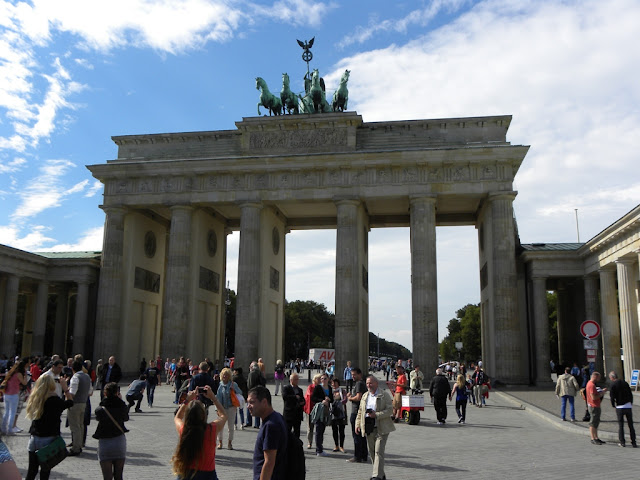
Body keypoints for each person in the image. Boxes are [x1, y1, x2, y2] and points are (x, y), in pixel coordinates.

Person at [25, 374, 74, 480]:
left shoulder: (35, 397)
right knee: (45, 471)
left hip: (34, 438)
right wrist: (65, 388)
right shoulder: (54, 400)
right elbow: (70, 403)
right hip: (48, 439)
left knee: (31, 472)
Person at [172, 386, 227, 480]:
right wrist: (213, 398)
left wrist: (187, 400)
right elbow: (223, 416)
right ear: (203, 415)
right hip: (208, 474)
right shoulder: (211, 429)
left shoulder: (184, 429)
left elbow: (178, 417)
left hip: (186, 473)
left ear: (187, 415)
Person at [355, 375, 395, 480]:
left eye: (371, 383)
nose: (369, 385)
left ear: (376, 383)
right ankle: (380, 473)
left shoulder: (384, 395)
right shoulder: (365, 396)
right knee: (372, 452)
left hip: (382, 428)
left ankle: (376, 476)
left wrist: (376, 414)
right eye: (367, 383)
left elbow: (390, 410)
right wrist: (358, 424)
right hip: (368, 427)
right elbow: (360, 411)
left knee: (378, 451)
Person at [247, 385, 288, 480]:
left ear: (264, 402)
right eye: (248, 402)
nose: (248, 406)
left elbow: (269, 462)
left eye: (252, 402)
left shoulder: (270, 425)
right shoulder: (277, 417)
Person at [93, 382, 129, 480]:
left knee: (107, 477)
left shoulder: (100, 409)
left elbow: (98, 417)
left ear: (105, 393)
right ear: (117, 393)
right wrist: (120, 400)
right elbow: (126, 418)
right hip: (119, 442)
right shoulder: (122, 406)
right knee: (119, 476)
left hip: (105, 443)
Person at [68, 359, 92, 456]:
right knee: (81, 425)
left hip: (75, 403)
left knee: (75, 426)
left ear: (73, 369)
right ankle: (80, 444)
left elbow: (72, 393)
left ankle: (76, 447)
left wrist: (66, 390)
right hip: (84, 402)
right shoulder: (87, 376)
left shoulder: (75, 377)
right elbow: (90, 392)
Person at [216, 367, 242, 450]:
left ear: (229, 376)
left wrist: (233, 390)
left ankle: (230, 443)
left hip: (231, 408)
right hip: (222, 408)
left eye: (226, 375)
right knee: (220, 426)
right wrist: (218, 409)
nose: (225, 376)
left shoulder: (233, 384)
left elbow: (240, 393)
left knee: (230, 426)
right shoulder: (220, 385)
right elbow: (218, 397)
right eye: (223, 375)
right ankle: (220, 443)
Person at [608, 371, 636, 447]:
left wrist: (613, 404)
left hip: (620, 406)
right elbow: (630, 394)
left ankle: (622, 442)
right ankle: (633, 442)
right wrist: (630, 402)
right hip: (628, 405)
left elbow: (612, 396)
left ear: (612, 377)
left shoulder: (613, 385)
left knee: (621, 425)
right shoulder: (625, 383)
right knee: (631, 425)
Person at [346, 368, 368, 463]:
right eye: (352, 374)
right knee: (362, 435)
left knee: (356, 435)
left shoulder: (359, 383)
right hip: (362, 412)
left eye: (354, 374)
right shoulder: (363, 383)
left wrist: (350, 398)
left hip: (356, 412)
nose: (353, 376)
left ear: (360, 374)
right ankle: (364, 455)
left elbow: (358, 397)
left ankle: (357, 456)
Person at [1, 359, 28, 435]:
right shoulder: (19, 374)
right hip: (14, 394)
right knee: (12, 413)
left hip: (6, 394)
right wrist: (25, 375)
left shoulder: (10, 373)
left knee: (6, 412)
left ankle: (3, 429)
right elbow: (24, 383)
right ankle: (9, 430)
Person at [311, 373, 332, 456]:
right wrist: (322, 400)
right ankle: (318, 450)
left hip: (326, 411)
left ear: (328, 379)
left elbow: (332, 399)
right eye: (322, 379)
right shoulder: (318, 387)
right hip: (319, 411)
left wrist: (329, 399)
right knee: (318, 430)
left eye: (325, 378)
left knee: (322, 429)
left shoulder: (329, 388)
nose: (323, 380)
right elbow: (313, 398)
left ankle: (320, 448)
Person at [586, 371, 607, 445]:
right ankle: (593, 438)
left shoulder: (590, 383)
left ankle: (596, 437)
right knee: (593, 422)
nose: (599, 379)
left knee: (596, 422)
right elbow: (594, 397)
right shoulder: (591, 385)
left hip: (594, 405)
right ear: (595, 377)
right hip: (593, 405)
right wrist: (602, 393)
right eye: (599, 378)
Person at [281, 372, 305, 438]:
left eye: (297, 379)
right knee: (287, 432)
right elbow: (285, 397)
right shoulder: (286, 388)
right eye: (296, 379)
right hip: (289, 413)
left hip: (297, 414)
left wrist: (303, 402)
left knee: (297, 433)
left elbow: (302, 398)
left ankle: (296, 447)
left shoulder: (300, 390)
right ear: (291, 380)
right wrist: (295, 397)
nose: (297, 381)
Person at [304, 373, 321, 449]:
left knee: (319, 427)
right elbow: (309, 396)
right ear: (315, 380)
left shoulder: (321, 388)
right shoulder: (310, 387)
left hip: (319, 410)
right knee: (310, 427)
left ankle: (319, 443)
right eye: (319, 379)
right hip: (310, 409)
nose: (320, 380)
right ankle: (309, 442)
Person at [330, 378, 348, 453]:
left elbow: (345, 399)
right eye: (332, 383)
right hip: (333, 412)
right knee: (334, 430)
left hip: (341, 413)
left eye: (335, 383)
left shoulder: (342, 391)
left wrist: (340, 402)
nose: (333, 385)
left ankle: (341, 446)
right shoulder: (330, 391)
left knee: (341, 430)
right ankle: (336, 445)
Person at [247, 362, 266, 428]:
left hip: (252, 392)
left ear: (252, 367)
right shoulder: (260, 373)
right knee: (257, 407)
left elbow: (249, 384)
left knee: (249, 407)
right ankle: (257, 424)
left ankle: (249, 422)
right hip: (259, 392)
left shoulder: (251, 373)